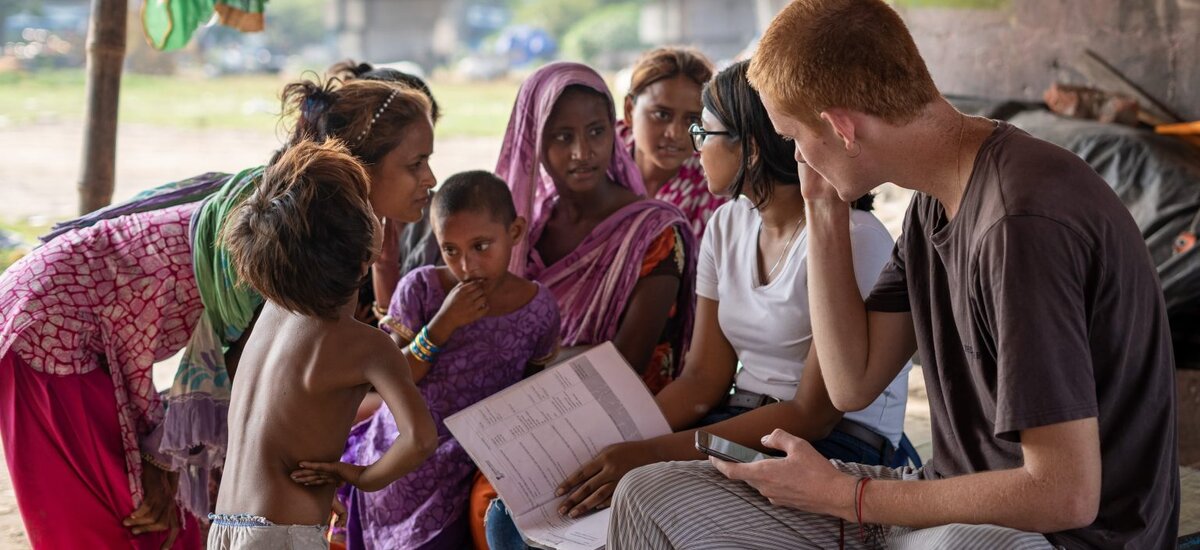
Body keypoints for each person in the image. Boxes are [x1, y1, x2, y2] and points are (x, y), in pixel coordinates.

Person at [607, 1, 1179, 548]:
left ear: (842, 128)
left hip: (1049, 537)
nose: (797, 157)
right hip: (937, 505)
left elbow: (1064, 496)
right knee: (650, 492)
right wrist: (823, 209)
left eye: (796, 139)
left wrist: (853, 497)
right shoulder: (934, 202)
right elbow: (851, 381)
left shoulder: (1018, 221)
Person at [0, 73, 436, 548]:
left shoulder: (281, 216)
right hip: (51, 324)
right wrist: (161, 460)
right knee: (119, 527)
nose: (430, 179)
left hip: (237, 524)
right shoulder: (291, 246)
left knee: (165, 526)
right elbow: (238, 383)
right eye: (417, 164)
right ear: (359, 167)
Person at [550, 59, 915, 523]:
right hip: (738, 422)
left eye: (703, 133)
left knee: (642, 498)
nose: (693, 146)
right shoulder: (727, 224)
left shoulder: (854, 237)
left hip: (833, 442)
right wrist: (617, 440)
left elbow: (814, 413)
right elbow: (703, 379)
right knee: (538, 501)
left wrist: (651, 454)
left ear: (754, 148)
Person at [478, 61, 697, 548]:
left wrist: (509, 371)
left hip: (621, 434)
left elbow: (624, 362)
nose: (582, 152)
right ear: (532, 142)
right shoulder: (523, 232)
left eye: (596, 132)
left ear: (614, 134)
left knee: (506, 514)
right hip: (522, 425)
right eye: (561, 137)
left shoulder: (652, 232)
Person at [211, 139, 438, 549]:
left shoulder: (273, 310)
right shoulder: (366, 347)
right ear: (361, 246)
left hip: (227, 525)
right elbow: (420, 439)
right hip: (281, 538)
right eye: (367, 205)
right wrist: (360, 477)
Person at [338, 171, 561, 549]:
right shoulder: (422, 288)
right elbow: (394, 379)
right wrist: (441, 327)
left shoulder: (538, 308)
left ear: (516, 232)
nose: (467, 266)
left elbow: (532, 385)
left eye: (481, 246)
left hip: (476, 452)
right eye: (451, 250)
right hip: (406, 443)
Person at [619, 46, 726, 239]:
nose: (675, 133)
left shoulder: (713, 185)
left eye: (692, 119)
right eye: (661, 114)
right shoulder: (596, 158)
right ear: (629, 110)